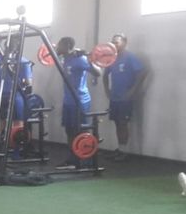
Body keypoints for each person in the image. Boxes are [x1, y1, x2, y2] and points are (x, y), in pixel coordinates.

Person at [55, 37, 101, 170]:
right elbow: (53, 53)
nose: (58, 47)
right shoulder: (65, 58)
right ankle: (73, 159)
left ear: (68, 45)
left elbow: (97, 73)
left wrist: (89, 60)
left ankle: (86, 160)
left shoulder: (81, 59)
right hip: (68, 100)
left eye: (60, 45)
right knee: (69, 130)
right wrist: (76, 50)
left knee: (81, 130)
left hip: (80, 100)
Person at [102, 34, 146, 162]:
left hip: (125, 99)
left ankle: (124, 151)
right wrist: (107, 90)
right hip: (114, 98)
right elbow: (105, 75)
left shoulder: (130, 57)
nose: (114, 44)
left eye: (117, 42)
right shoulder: (111, 58)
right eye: (113, 42)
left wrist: (133, 90)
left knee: (123, 123)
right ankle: (120, 149)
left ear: (124, 43)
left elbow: (142, 73)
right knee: (117, 123)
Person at [0, 44, 33, 134]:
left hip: (2, 97)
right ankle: (17, 139)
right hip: (16, 97)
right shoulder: (24, 61)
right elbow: (28, 83)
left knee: (1, 121)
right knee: (18, 123)